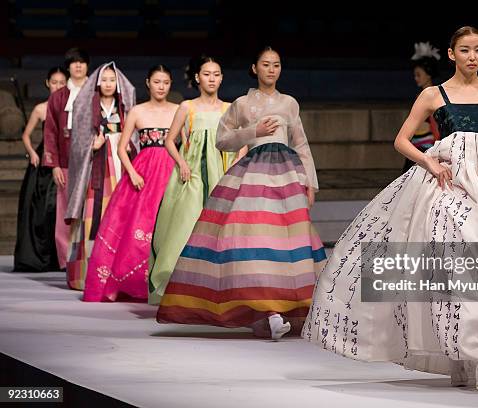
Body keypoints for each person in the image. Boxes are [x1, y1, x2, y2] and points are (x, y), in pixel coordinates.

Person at [302, 27, 478, 391]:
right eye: (465, 50)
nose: (473, 56)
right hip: (447, 187)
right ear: (451, 54)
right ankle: (472, 356)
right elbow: (401, 139)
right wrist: (429, 163)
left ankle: (477, 352)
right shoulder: (433, 94)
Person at [156, 46, 325, 341]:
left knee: (286, 243)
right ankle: (265, 310)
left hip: (287, 176)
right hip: (254, 173)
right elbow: (223, 140)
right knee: (257, 238)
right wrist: (253, 131)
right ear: (254, 68)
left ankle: (275, 311)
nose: (271, 69)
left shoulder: (289, 103)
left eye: (276, 65)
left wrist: (310, 182)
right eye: (266, 64)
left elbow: (301, 145)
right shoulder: (242, 104)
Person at [148, 55, 239, 305]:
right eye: (207, 74)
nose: (212, 78)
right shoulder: (187, 107)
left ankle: (217, 287)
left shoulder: (229, 108)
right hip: (192, 175)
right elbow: (169, 140)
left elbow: (242, 142)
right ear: (197, 78)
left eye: (217, 74)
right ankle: (178, 286)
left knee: (220, 230)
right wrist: (182, 163)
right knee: (184, 228)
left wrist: (234, 165)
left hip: (221, 175)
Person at [83, 65, 177, 302]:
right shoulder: (137, 111)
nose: (161, 87)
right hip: (143, 171)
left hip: (171, 170)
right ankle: (132, 282)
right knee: (137, 224)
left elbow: (184, 144)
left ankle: (168, 283)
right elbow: (121, 147)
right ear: (148, 83)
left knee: (171, 224)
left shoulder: (179, 110)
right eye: (157, 82)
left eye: (165, 82)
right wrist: (132, 172)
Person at [64, 62, 137, 290]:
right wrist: (91, 146)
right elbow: (77, 142)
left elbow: (134, 138)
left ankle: (116, 274)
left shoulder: (124, 107)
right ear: (97, 83)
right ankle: (85, 276)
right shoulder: (86, 105)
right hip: (95, 168)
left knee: (119, 216)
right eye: (103, 79)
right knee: (91, 217)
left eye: (112, 79)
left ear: (118, 84)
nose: (107, 84)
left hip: (119, 164)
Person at [13, 66, 68, 271]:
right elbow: (26, 135)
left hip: (64, 159)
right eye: (54, 82)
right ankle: (38, 257)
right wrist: (32, 152)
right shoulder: (40, 108)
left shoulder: (70, 107)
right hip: (43, 161)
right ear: (47, 83)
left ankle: (59, 258)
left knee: (58, 209)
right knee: (39, 209)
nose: (58, 86)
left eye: (62, 83)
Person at [43, 48, 89, 270]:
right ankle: (67, 262)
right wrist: (54, 165)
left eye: (82, 62)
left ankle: (90, 260)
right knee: (65, 212)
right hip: (66, 161)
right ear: (68, 67)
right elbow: (50, 131)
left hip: (93, 161)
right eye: (74, 63)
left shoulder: (97, 92)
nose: (78, 66)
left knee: (91, 211)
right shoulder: (58, 97)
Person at [402, 42, 441, 172]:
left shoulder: (432, 94)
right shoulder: (422, 94)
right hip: (416, 144)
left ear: (428, 74)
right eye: (415, 75)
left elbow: (435, 122)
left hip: (426, 146)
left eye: (419, 74)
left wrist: (437, 146)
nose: (416, 78)